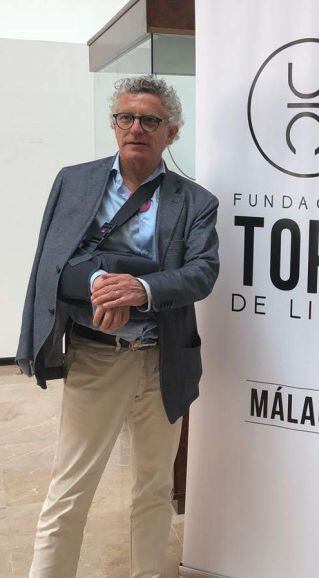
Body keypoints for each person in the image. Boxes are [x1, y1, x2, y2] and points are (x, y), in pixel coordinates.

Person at [17, 75, 219, 577]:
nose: (136, 128)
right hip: (96, 357)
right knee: (70, 489)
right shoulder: (75, 181)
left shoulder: (195, 201)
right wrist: (105, 284)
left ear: (171, 133)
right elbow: (51, 263)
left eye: (151, 120)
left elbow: (201, 272)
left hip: (162, 360)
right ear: (113, 125)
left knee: (153, 488)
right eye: (126, 117)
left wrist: (141, 290)